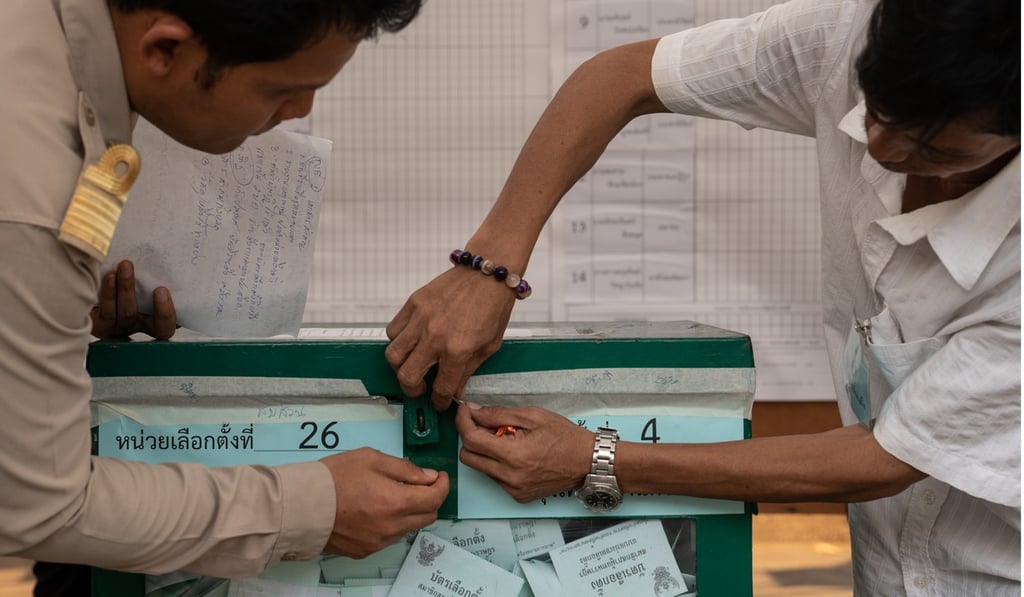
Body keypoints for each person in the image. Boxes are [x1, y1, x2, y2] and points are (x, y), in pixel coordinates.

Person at [386, 0, 1020, 594]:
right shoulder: (851, 33)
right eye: (873, 111)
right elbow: (623, 75)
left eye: (937, 150)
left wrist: (597, 459)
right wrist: (489, 264)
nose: (878, 150)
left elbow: (887, 455)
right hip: (882, 562)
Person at [0, 0, 450, 591]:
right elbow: (37, 505)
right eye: (279, 89)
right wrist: (310, 508)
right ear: (164, 50)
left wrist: (51, 323)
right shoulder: (33, 191)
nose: (298, 113)